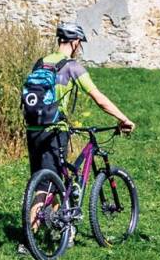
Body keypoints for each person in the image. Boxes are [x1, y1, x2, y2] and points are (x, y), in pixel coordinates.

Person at [26, 21, 135, 196]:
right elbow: (99, 99)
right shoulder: (72, 66)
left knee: (51, 183)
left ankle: (59, 213)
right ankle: (34, 215)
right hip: (54, 130)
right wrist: (124, 119)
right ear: (75, 42)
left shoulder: (41, 63)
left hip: (33, 129)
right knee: (45, 190)